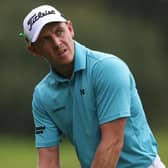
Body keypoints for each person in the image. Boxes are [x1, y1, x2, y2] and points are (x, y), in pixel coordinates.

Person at [20, 4, 166, 168]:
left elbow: (112, 143)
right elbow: (48, 159)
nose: (56, 42)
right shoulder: (43, 95)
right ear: (34, 50)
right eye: (46, 39)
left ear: (70, 29)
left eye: (59, 32)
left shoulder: (108, 69)